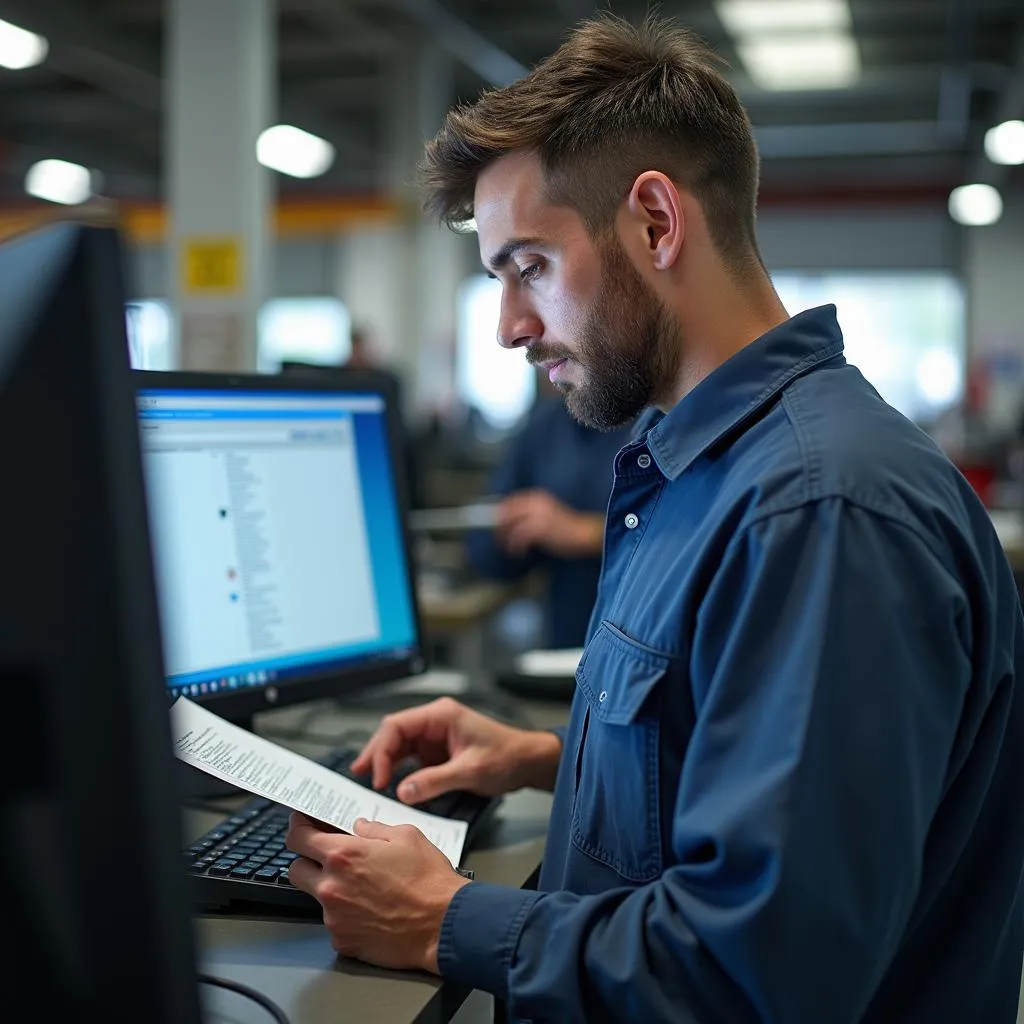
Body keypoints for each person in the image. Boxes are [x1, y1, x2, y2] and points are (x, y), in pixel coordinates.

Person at [284, 14, 1024, 1022]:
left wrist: (444, 918)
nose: (508, 327)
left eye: (528, 267)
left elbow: (761, 973)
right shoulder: (708, 466)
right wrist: (559, 754)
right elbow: (752, 764)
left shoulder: (816, 510)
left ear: (655, 224)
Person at [466, 372, 633, 649]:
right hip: (565, 648)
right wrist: (512, 528)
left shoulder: (664, 421)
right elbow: (484, 550)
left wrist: (586, 534)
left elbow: (687, 541)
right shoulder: (546, 426)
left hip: (643, 653)